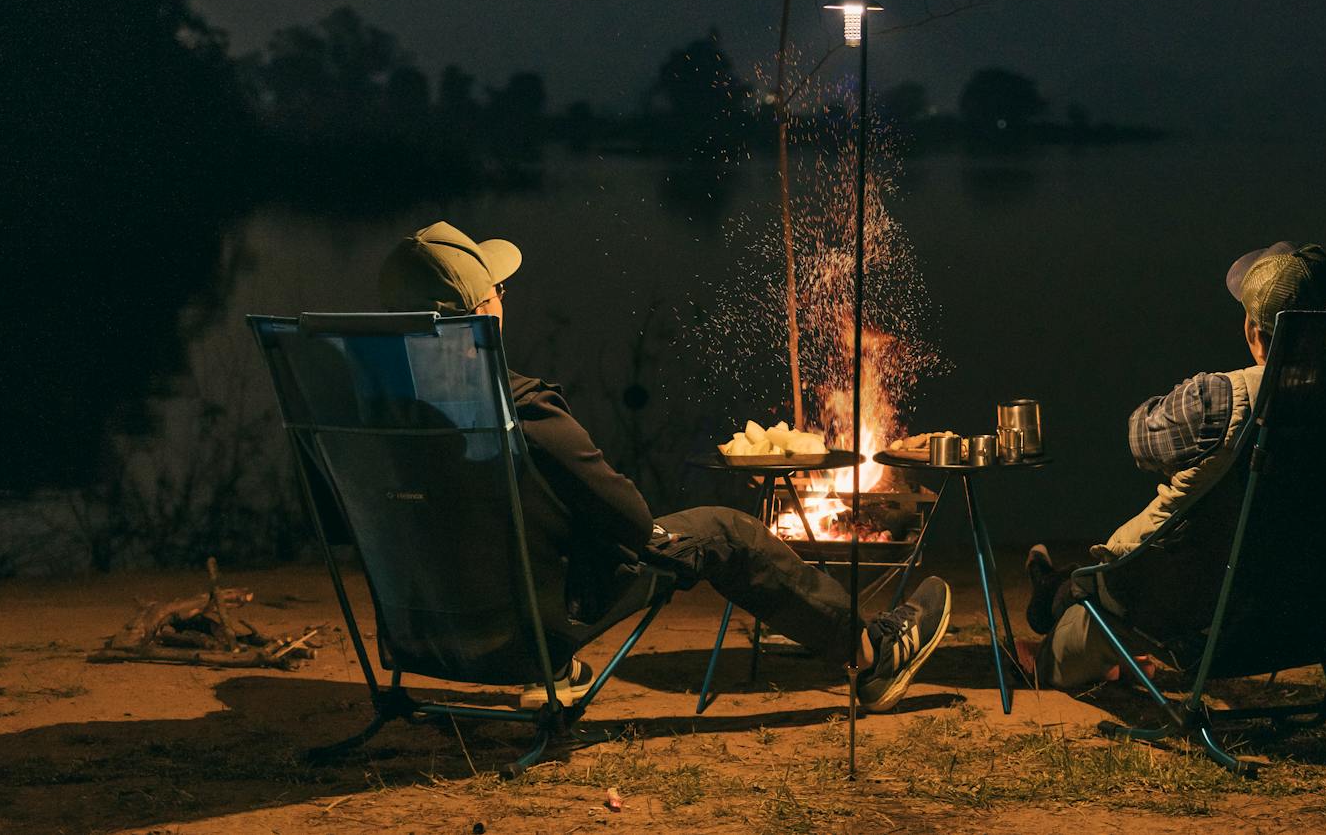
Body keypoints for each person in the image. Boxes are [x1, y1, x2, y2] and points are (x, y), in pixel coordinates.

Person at [377, 220, 951, 711]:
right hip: (532, 628)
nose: (506, 297)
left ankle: (551, 672)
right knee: (729, 532)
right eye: (497, 290)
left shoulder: (368, 419)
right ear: (483, 315)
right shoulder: (521, 409)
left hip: (423, 632)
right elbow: (629, 520)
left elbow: (345, 524)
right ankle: (873, 655)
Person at [1023, 242, 1326, 688]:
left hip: (1183, 606)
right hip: (1304, 607)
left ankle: (1052, 599)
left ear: (1254, 333)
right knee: (1086, 582)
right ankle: (1053, 584)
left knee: (1083, 596)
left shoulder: (1221, 399)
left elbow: (1141, 440)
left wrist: (1192, 395)